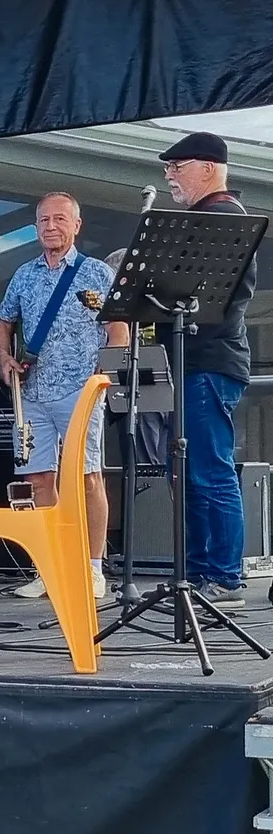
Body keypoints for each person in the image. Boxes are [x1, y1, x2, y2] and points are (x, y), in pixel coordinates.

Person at [0, 193, 128, 601]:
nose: (50, 226)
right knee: (38, 479)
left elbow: (118, 329)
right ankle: (50, 566)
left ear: (76, 225)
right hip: (32, 391)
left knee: (87, 478)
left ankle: (92, 567)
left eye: (59, 219)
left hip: (81, 390)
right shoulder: (23, 275)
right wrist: (3, 357)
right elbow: (2, 324)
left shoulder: (98, 274)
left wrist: (105, 376)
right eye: (43, 220)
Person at [158, 131, 257, 609]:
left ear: (209, 167)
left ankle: (223, 575)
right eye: (168, 168)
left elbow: (218, 299)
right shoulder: (206, 217)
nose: (170, 175)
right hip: (192, 362)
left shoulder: (222, 218)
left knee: (209, 471)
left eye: (178, 166)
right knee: (192, 472)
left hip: (207, 362)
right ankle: (201, 573)